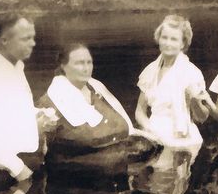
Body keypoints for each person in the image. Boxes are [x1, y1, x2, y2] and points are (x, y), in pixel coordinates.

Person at [39, 43, 158, 177]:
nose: (85, 68)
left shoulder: (96, 89)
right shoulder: (51, 104)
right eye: (79, 63)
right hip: (81, 187)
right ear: (63, 66)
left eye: (89, 62)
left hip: (118, 177)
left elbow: (127, 128)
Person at [0, 14, 56, 187]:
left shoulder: (16, 67)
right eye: (25, 39)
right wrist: (18, 169)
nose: (33, 43)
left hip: (25, 164)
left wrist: (39, 116)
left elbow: (11, 111)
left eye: (32, 37)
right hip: (6, 172)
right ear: (4, 40)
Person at [135, 15, 208, 148]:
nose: (167, 43)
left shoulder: (191, 73)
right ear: (159, 38)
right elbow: (140, 111)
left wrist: (193, 100)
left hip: (182, 137)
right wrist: (150, 130)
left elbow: (202, 117)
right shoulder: (150, 71)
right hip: (153, 134)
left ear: (183, 44)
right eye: (164, 37)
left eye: (174, 39)